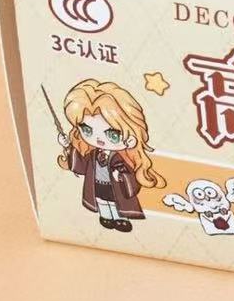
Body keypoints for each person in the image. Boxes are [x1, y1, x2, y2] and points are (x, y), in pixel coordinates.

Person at [56, 79, 164, 232]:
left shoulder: (122, 157)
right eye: (87, 130)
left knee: (115, 204)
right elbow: (80, 166)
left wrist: (121, 175)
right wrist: (68, 146)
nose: (99, 140)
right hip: (98, 186)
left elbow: (131, 175)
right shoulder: (93, 154)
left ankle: (120, 219)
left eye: (113, 135)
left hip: (115, 188)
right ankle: (106, 217)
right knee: (102, 203)